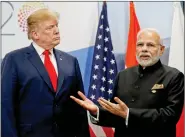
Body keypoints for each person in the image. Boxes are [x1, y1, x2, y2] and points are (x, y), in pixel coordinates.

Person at [70, 28, 184, 137]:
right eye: (140, 44)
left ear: (162, 50)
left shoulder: (174, 76)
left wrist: (129, 114)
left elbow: (170, 115)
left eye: (150, 45)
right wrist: (97, 111)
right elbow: (116, 113)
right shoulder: (123, 75)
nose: (144, 49)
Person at [1, 8, 90, 137]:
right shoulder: (14, 60)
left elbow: (79, 105)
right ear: (35, 34)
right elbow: (6, 106)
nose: (57, 31)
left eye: (56, 26)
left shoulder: (70, 61)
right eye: (50, 28)